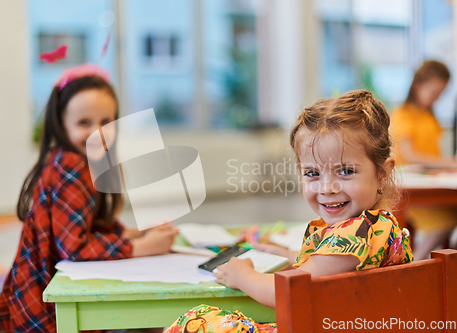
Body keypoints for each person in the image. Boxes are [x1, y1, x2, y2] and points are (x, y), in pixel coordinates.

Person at [164, 90, 414, 333]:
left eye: (346, 171)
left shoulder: (355, 235)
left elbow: (286, 292)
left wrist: (242, 275)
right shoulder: (379, 226)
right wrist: (284, 253)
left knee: (197, 321)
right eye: (312, 173)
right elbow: (330, 265)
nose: (327, 188)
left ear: (382, 173)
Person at [0, 64, 178, 333]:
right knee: (153, 321)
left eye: (105, 122)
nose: (97, 132)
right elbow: (74, 247)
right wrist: (142, 247)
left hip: (47, 294)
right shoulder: (70, 166)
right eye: (84, 122)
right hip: (48, 310)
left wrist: (135, 235)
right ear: (61, 124)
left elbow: (87, 228)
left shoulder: (83, 162)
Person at [391, 60, 457, 260]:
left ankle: (438, 263)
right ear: (418, 85)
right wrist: (448, 162)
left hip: (433, 185)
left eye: (440, 94)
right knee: (445, 220)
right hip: (410, 192)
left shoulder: (430, 117)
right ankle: (414, 264)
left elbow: (432, 154)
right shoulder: (402, 115)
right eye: (434, 92)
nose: (436, 99)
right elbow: (411, 155)